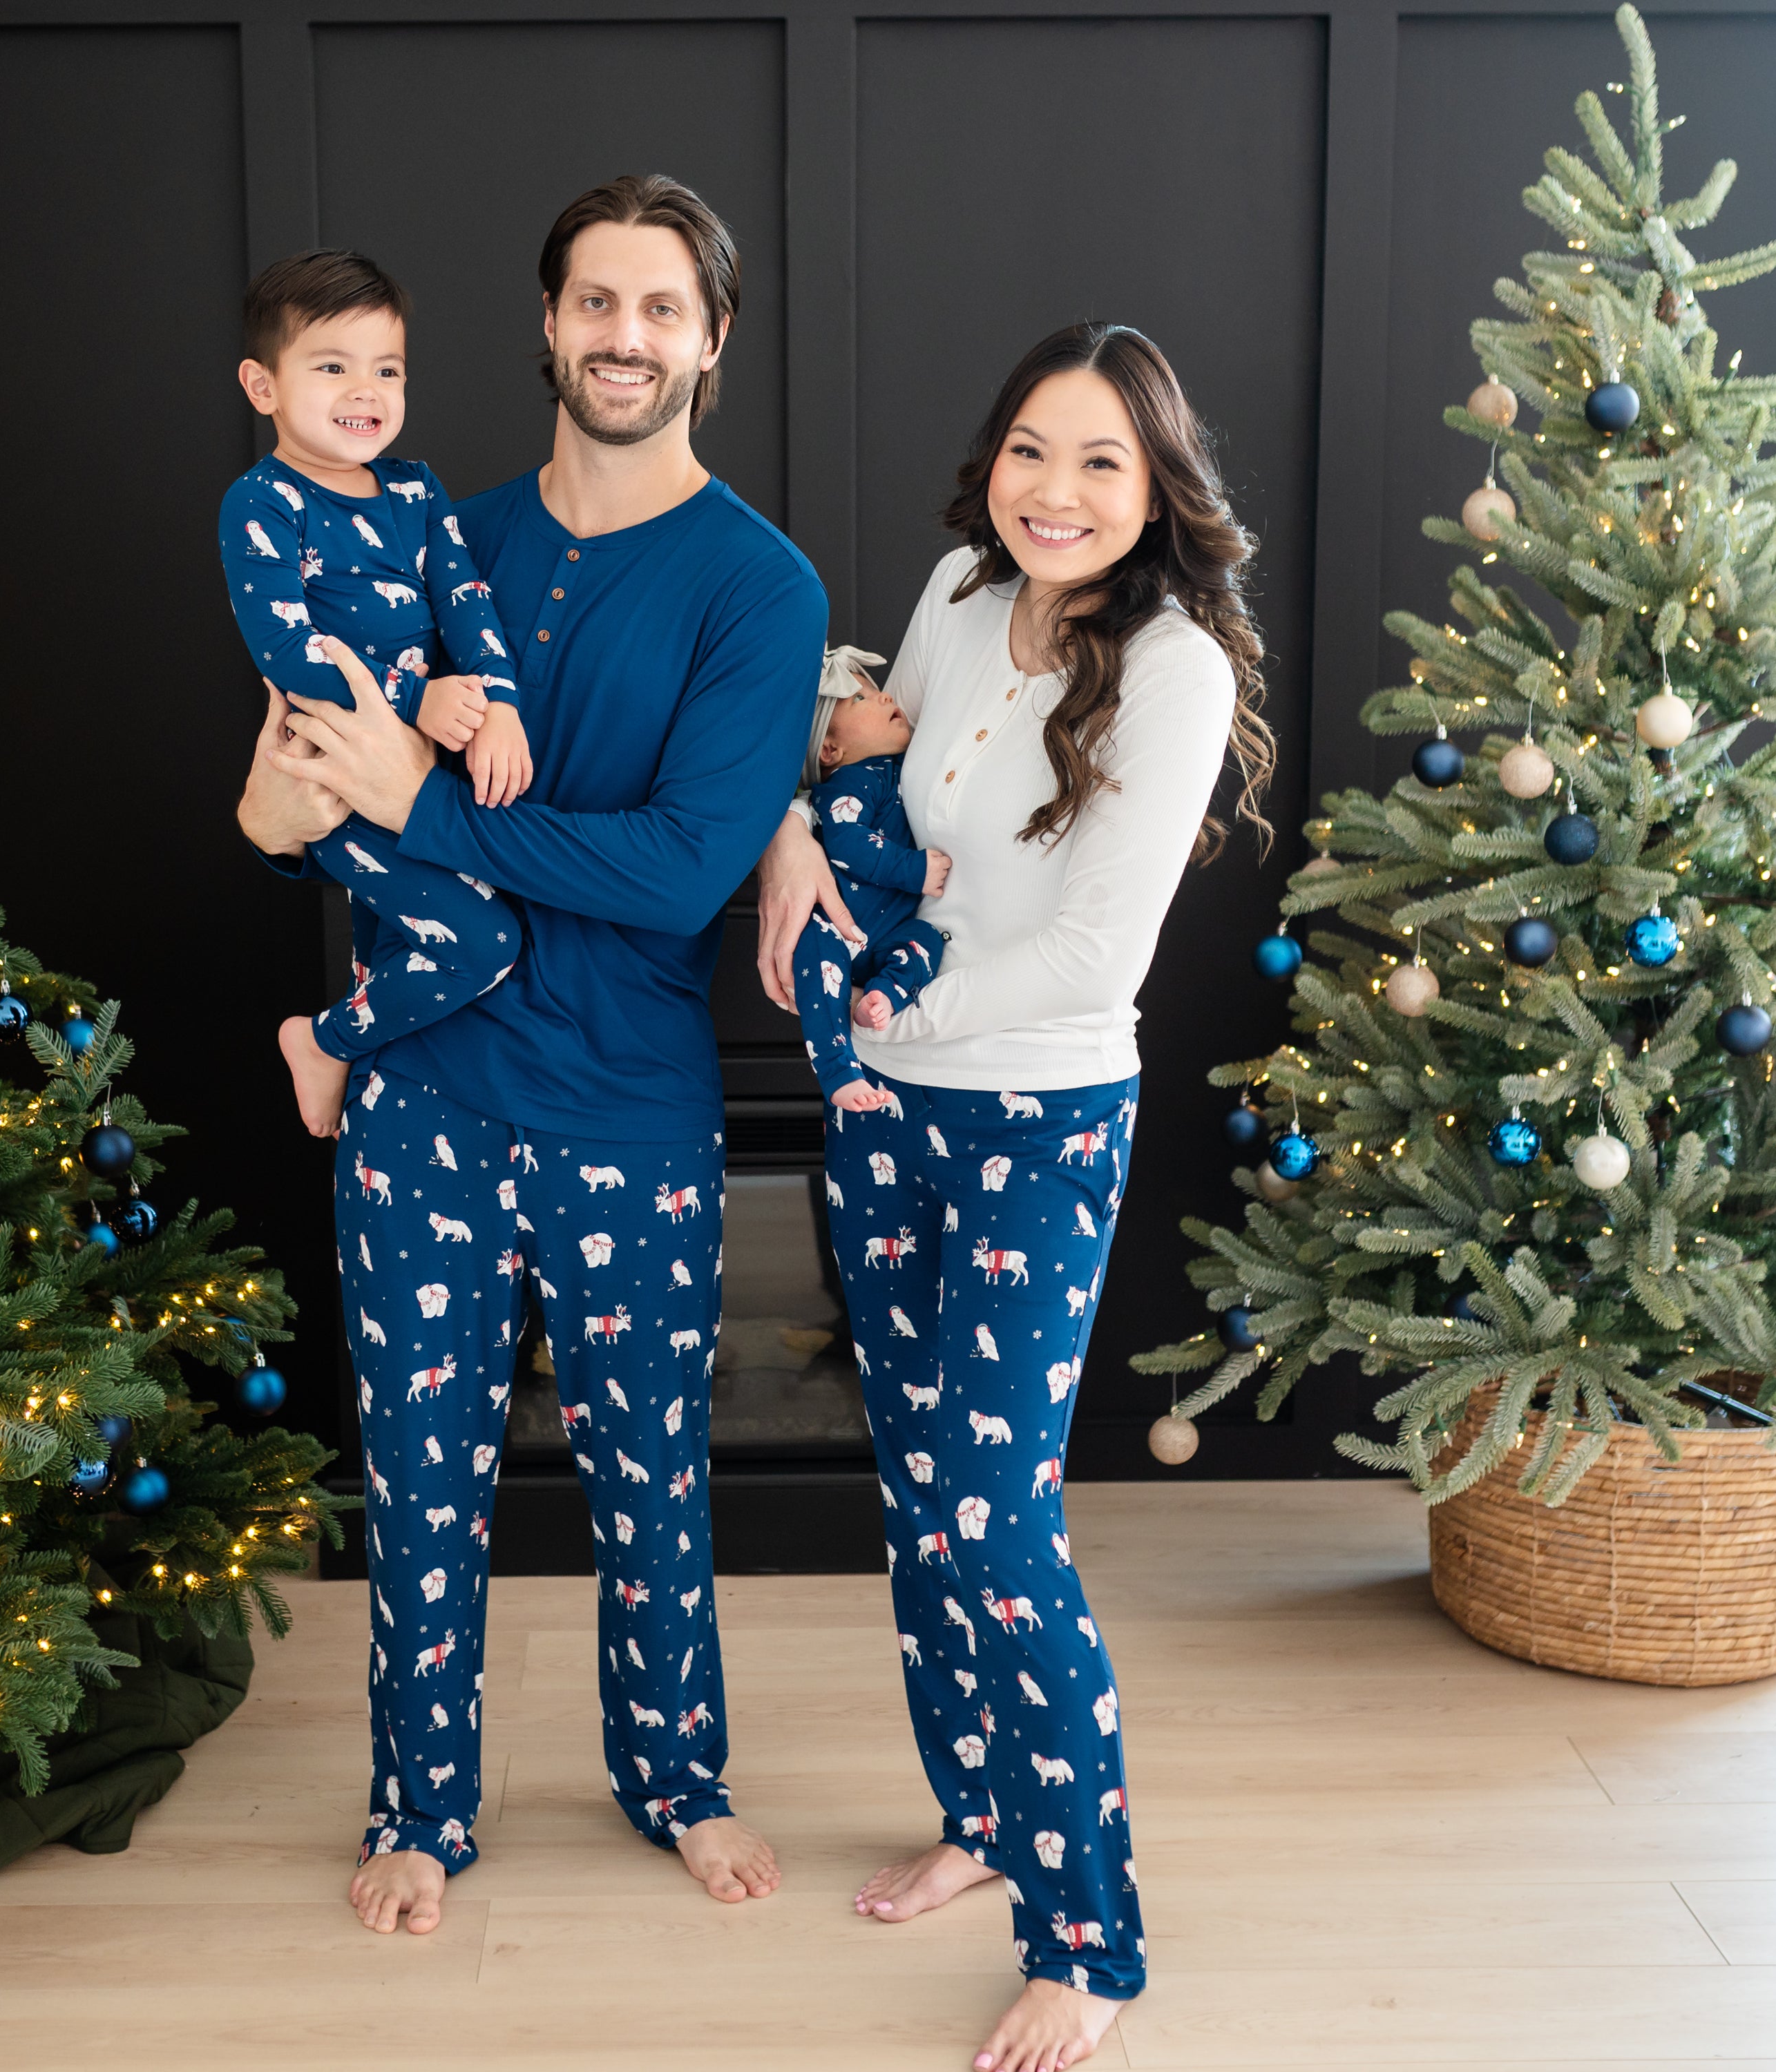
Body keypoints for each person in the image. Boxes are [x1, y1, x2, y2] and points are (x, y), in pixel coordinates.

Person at [234, 174, 828, 1940]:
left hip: (629, 1112)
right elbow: (281, 793)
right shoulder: (429, 530)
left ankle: (679, 1777)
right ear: (548, 326)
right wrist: (287, 786)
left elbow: (673, 871)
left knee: (654, 1472)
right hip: (421, 1095)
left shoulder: (757, 585)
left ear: (710, 341)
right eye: (593, 302)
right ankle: (422, 1807)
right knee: (418, 1477)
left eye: (659, 308)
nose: (622, 336)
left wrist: (425, 801)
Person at [756, 322, 1274, 2072]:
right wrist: (804, 852)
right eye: (1030, 450)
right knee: (917, 1496)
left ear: (1154, 490)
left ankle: (1088, 1933)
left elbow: (1078, 957)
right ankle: (980, 1817)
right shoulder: (958, 589)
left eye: (1100, 462)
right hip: (885, 1108)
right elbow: (884, 787)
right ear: (993, 458)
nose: (1054, 491)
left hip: (1034, 1121)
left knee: (995, 1516)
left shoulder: (1178, 669)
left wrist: (874, 1003)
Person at [219, 249, 531, 1141]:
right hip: (336, 770)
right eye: (332, 366)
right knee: (484, 940)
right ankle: (321, 1043)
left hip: (424, 775)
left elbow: (466, 601)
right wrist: (417, 698)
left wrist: (498, 701)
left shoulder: (414, 488)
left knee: (397, 948)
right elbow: (287, 651)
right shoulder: (263, 503)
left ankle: (380, 1098)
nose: (366, 390)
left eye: (386, 369)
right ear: (263, 385)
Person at [792, 645, 952, 1113]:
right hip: (836, 931)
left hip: (887, 934)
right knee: (817, 966)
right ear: (830, 749)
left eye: (877, 691)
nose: (885, 699)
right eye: (861, 699)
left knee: (926, 939)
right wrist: (913, 869)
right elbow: (847, 845)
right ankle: (837, 1070)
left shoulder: (896, 768)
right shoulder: (849, 781)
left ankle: (883, 994)